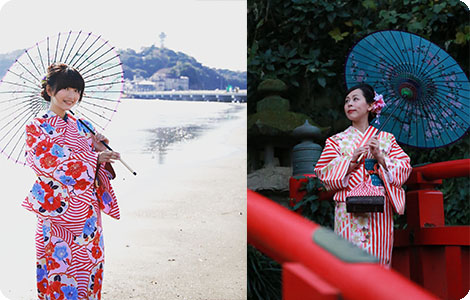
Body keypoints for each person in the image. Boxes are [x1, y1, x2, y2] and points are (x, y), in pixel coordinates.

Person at [23, 63, 121, 299]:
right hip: (56, 211)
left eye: (77, 90)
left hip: (86, 212)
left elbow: (98, 169)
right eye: (66, 88)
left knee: (89, 265)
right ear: (49, 89)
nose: (72, 96)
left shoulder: (83, 126)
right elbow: (44, 163)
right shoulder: (37, 127)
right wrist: (93, 157)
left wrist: (100, 150)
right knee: (59, 268)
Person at [314, 83, 412, 267]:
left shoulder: (386, 139)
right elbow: (323, 171)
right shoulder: (336, 141)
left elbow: (404, 167)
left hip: (378, 210)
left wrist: (380, 158)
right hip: (347, 209)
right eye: (346, 101)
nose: (349, 104)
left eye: (355, 99)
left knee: (378, 263)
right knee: (348, 265)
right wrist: (351, 161)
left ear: (370, 106)